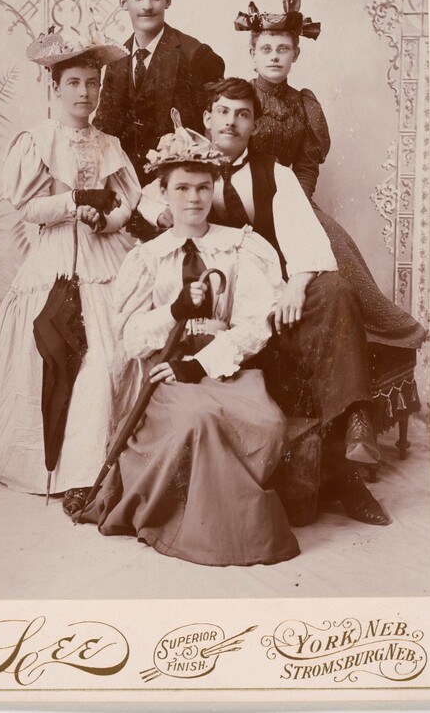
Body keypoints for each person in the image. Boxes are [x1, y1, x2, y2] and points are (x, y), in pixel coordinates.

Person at [138, 78, 402, 526]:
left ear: (254, 123)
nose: (231, 121)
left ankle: (349, 453)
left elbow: (307, 238)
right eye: (223, 111)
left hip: (269, 287)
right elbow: (148, 198)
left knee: (335, 289)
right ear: (207, 117)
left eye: (243, 114)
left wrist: (297, 286)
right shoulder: (185, 159)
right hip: (214, 293)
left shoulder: (274, 173)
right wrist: (162, 212)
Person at [73, 121, 318, 566]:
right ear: (163, 193)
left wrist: (202, 363)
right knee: (198, 418)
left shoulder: (241, 247)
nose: (194, 199)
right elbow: (129, 336)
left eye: (203, 188)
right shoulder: (147, 258)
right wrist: (175, 311)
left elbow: (255, 325)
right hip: (166, 373)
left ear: (215, 189)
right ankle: (213, 532)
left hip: (225, 369)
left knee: (268, 426)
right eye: (182, 188)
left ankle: (228, 520)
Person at [0, 28, 141, 499]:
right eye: (74, 82)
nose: (85, 93)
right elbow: (28, 205)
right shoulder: (38, 139)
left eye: (93, 83)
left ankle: (100, 465)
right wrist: (73, 204)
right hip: (55, 254)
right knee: (52, 355)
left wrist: (106, 221)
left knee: (111, 354)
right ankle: (56, 468)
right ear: (54, 87)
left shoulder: (108, 142)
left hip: (103, 254)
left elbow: (125, 202)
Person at [237, 0, 426, 355]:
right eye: (266, 49)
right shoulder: (239, 99)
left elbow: (306, 166)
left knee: (340, 247)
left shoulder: (305, 105)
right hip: (242, 200)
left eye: (283, 50)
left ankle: (389, 333)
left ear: (296, 54)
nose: (274, 57)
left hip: (292, 200)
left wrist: (296, 204)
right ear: (252, 53)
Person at [93, 0, 225, 185]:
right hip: (126, 183)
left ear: (168, 0)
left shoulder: (195, 55)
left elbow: (214, 128)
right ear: (123, 3)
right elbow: (105, 125)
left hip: (179, 181)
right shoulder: (115, 60)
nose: (147, 6)